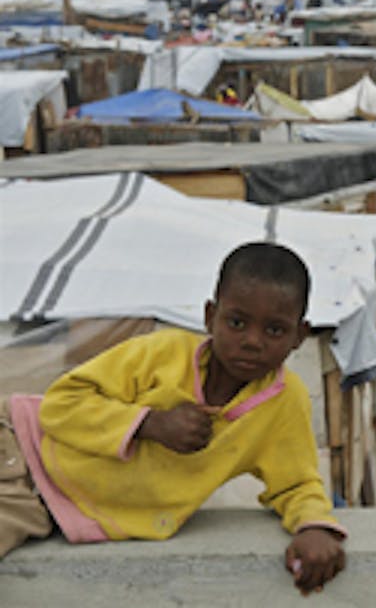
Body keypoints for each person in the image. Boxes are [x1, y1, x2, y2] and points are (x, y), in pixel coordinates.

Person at [0, 243, 346, 596]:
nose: (252, 342)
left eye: (274, 330)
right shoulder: (162, 354)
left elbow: (295, 482)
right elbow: (60, 404)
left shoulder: (283, 404)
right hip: (21, 447)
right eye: (237, 322)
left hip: (43, 503)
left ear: (299, 337)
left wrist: (314, 526)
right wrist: (149, 423)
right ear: (211, 316)